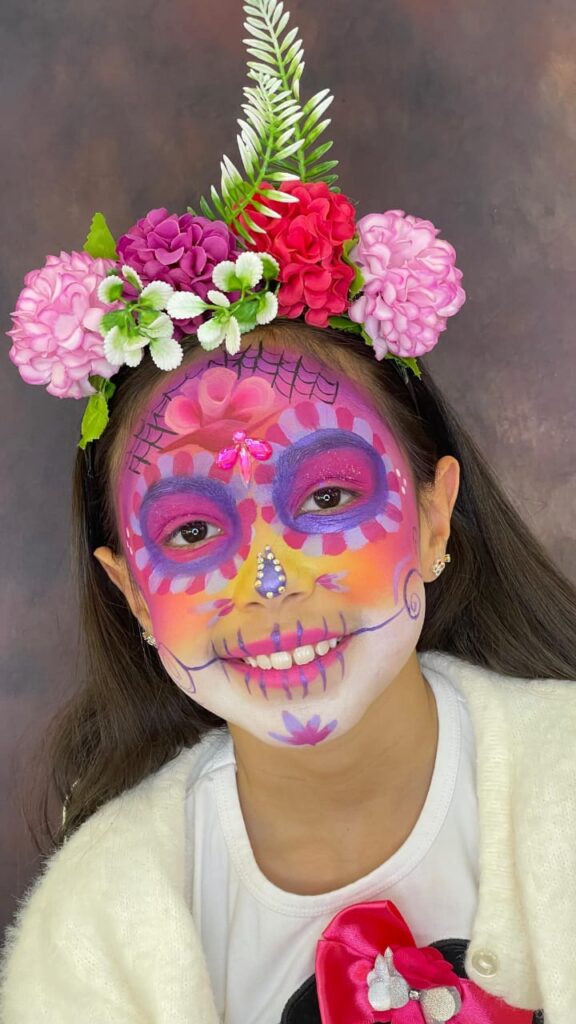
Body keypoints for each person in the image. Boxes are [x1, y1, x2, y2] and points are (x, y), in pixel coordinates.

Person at [2, 3, 576, 1023]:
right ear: (132, 595)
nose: (270, 581)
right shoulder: (92, 936)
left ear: (435, 520)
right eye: (191, 532)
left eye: (327, 498)